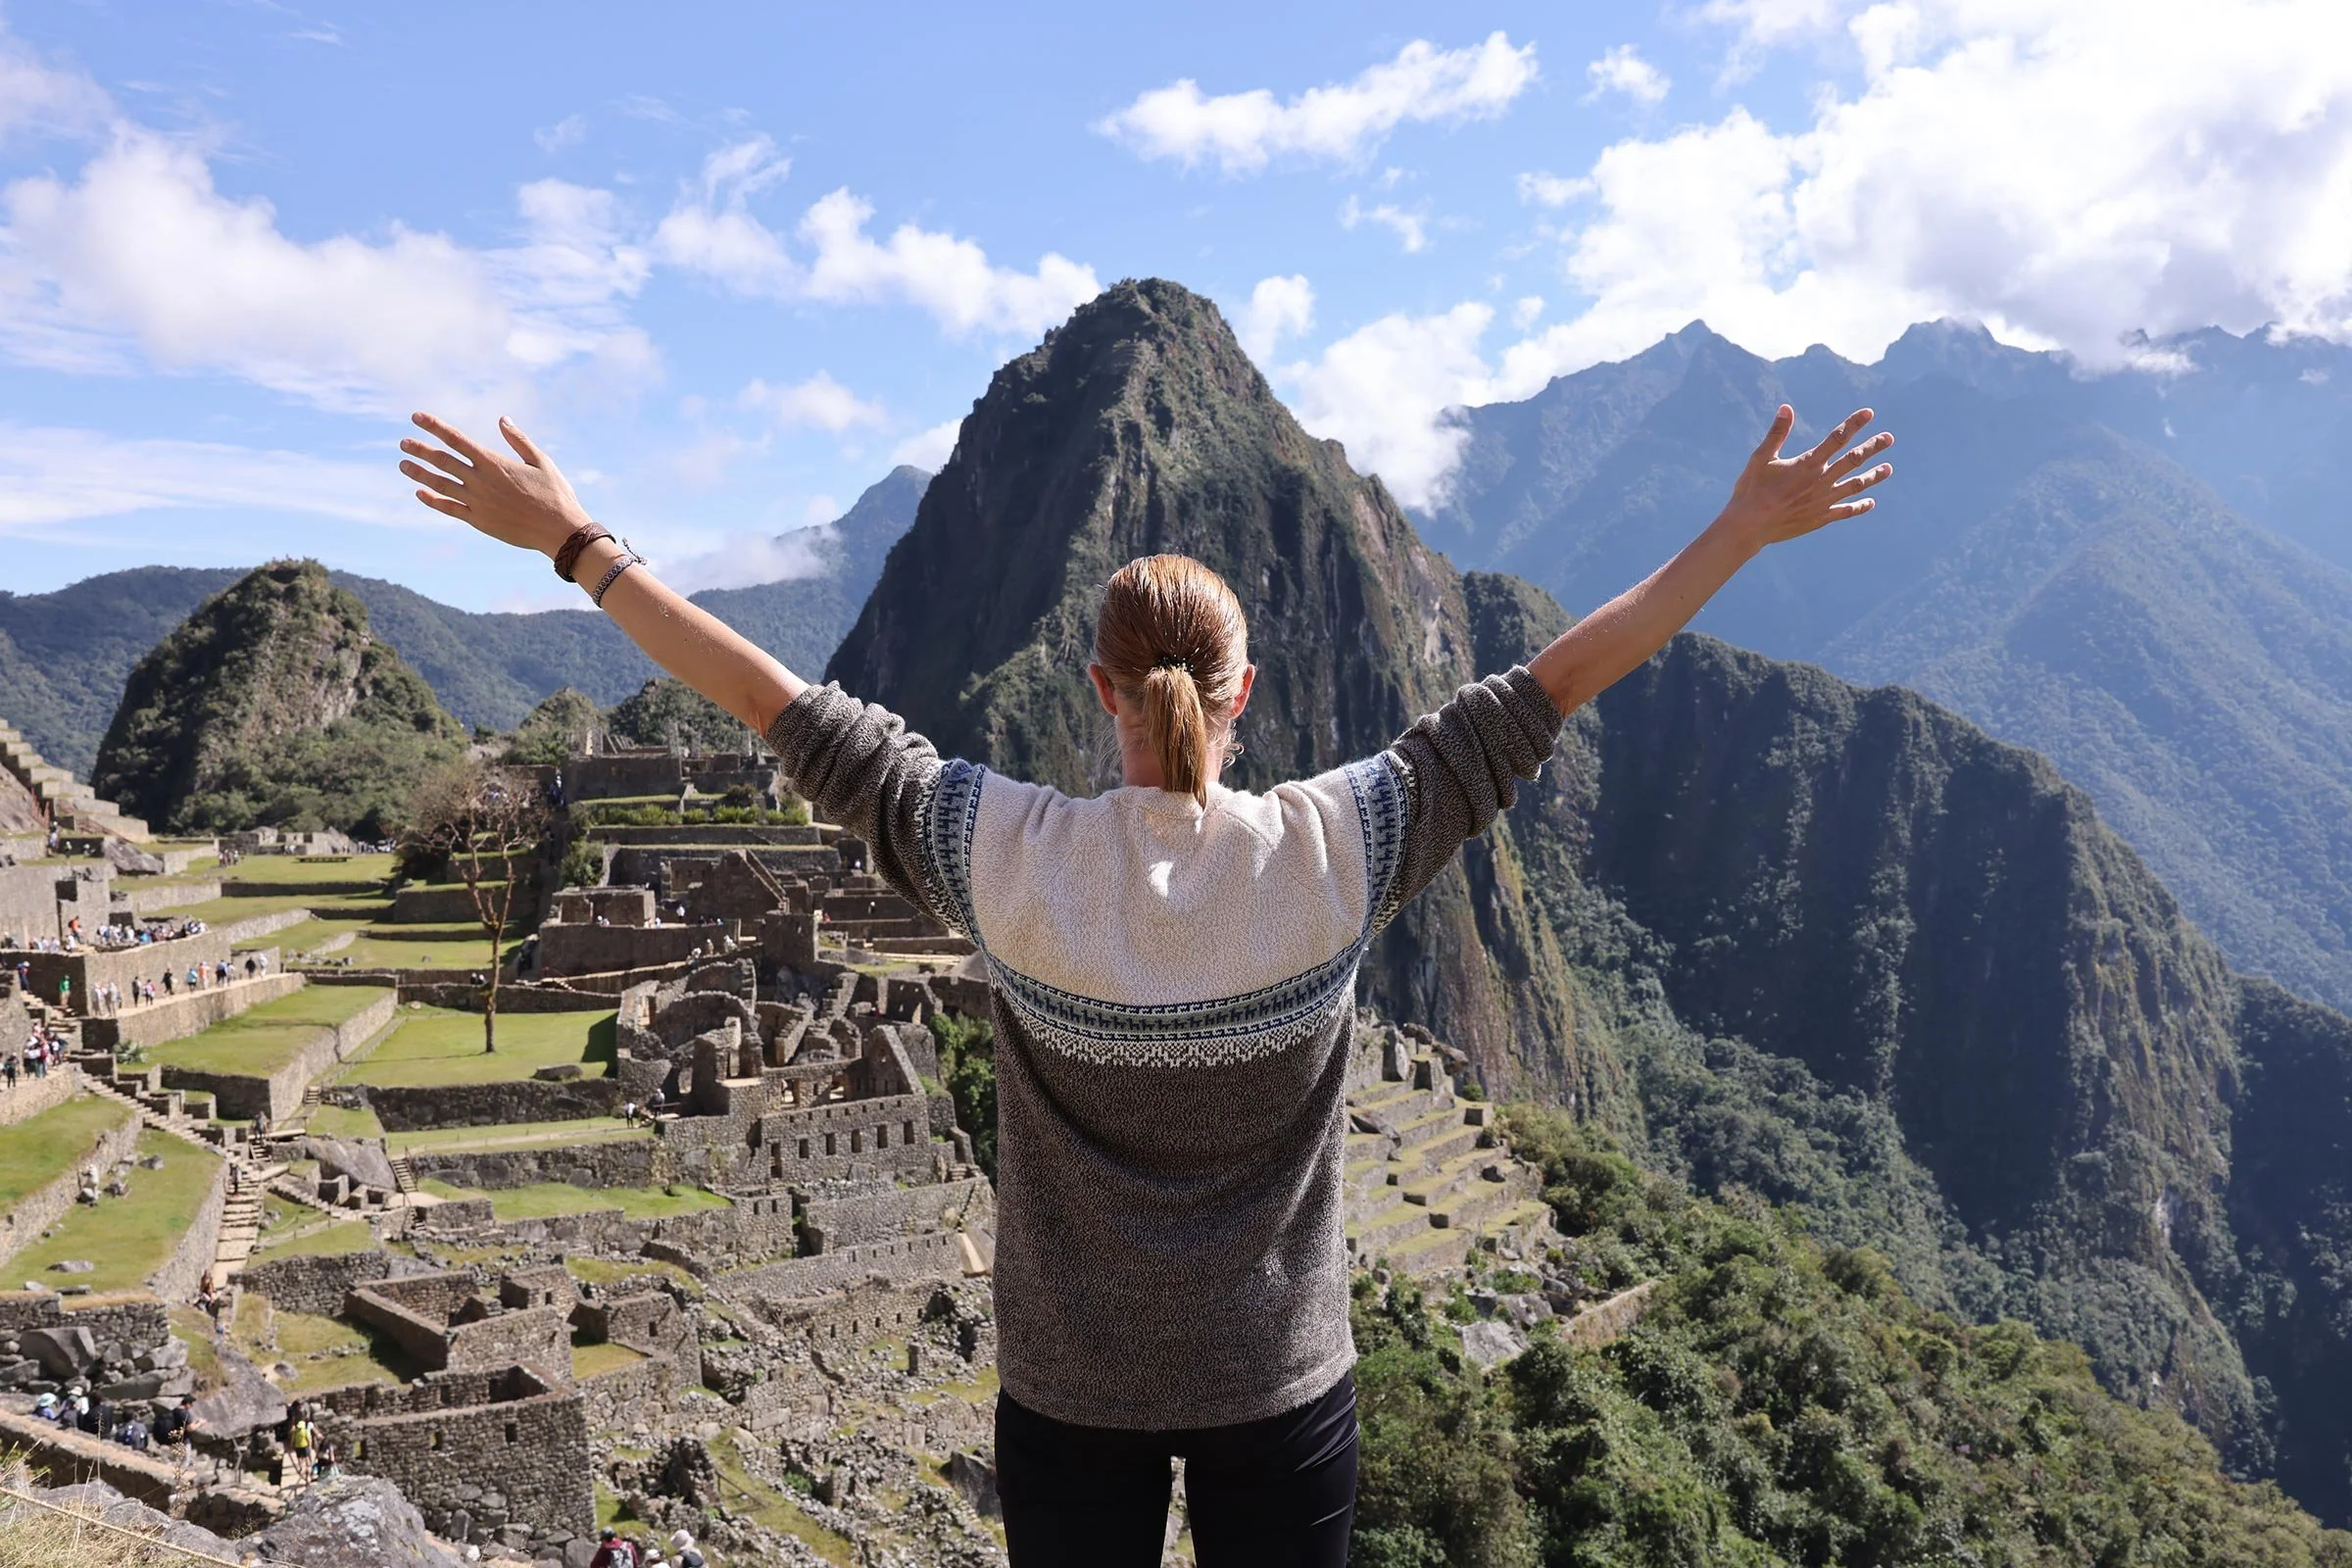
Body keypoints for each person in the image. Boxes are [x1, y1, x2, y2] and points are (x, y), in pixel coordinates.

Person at [398, 398, 1892, 1567]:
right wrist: (1741, 532)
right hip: (1283, 1388)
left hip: (1070, 1395)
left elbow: (770, 700)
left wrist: (579, 543)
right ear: (1243, 694)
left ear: (1094, 689)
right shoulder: (1339, 847)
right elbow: (1554, 683)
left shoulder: (1003, 856)